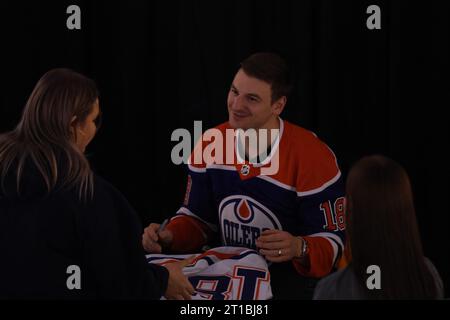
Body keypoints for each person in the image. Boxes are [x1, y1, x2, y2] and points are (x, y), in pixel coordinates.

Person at [142, 53, 346, 298]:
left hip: (284, 283)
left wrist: (298, 247)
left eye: (252, 98)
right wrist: (169, 235)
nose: (236, 105)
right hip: (230, 276)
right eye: (234, 91)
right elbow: (198, 219)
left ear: (277, 105)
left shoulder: (313, 156)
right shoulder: (210, 142)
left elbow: (333, 243)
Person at [0, 68, 194, 299]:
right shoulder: (87, 195)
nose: (95, 129)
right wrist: (161, 280)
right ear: (75, 125)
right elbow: (121, 280)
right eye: (94, 120)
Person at [313, 155, 444, 299]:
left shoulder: (332, 290)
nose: (343, 204)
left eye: (348, 197)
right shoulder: (428, 274)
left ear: (355, 210)